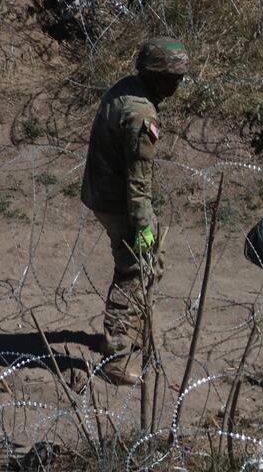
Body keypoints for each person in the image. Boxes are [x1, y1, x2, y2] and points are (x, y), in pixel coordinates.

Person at [80, 37, 187, 385]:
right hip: (118, 200)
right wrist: (143, 227)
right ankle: (116, 356)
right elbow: (138, 184)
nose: (178, 84)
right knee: (134, 269)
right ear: (156, 75)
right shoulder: (141, 114)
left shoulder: (126, 88)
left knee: (151, 259)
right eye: (174, 76)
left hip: (103, 191)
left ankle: (136, 330)